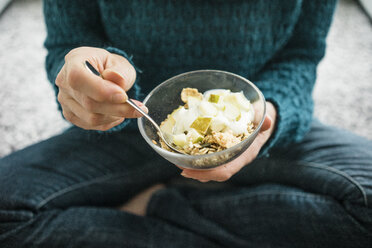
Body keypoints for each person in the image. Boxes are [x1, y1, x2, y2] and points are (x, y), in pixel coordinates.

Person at [0, 0, 371, 247]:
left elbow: (301, 55)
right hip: (129, 124)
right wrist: (89, 81)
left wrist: (270, 116)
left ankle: (154, 207)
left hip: (256, 126)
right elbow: (69, 43)